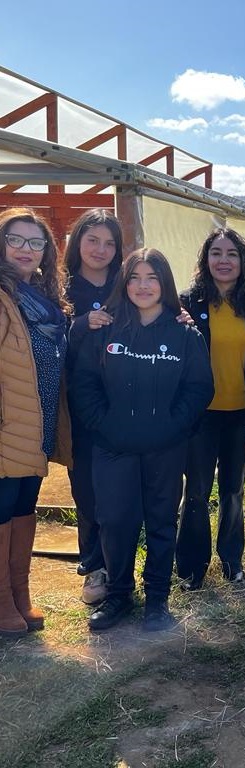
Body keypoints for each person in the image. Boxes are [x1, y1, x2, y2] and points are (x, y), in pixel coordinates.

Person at [72, 249, 214, 631]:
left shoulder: (184, 334)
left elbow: (199, 389)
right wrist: (104, 425)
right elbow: (83, 384)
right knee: (115, 521)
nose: (143, 286)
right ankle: (119, 595)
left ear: (165, 283)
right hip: (113, 446)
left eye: (152, 278)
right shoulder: (107, 329)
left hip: (165, 448)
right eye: (134, 277)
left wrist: (172, 428)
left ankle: (157, 601)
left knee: (161, 522)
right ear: (124, 282)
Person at [176, 229, 245, 589]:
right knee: (195, 491)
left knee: (232, 491)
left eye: (232, 254)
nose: (224, 260)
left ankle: (232, 560)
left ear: (242, 262)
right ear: (205, 260)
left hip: (240, 413)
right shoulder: (186, 304)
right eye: (216, 252)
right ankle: (191, 568)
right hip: (200, 414)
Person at [0, 208, 71, 637]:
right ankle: (2, 601)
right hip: (8, 422)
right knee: (4, 507)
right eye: (15, 240)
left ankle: (19, 593)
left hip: (39, 419)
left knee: (25, 505)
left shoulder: (43, 301)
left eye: (35, 242)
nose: (25, 250)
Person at [63, 208, 124, 606]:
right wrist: (83, 323)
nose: (100, 249)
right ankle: (94, 567)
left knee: (119, 488)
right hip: (77, 407)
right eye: (92, 240)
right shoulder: (61, 289)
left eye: (109, 243)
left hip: (124, 405)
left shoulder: (128, 285)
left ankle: (121, 565)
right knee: (86, 487)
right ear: (77, 243)